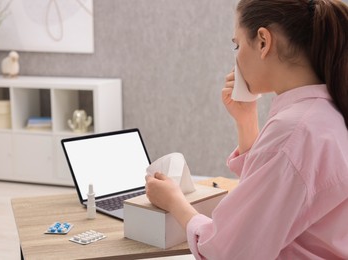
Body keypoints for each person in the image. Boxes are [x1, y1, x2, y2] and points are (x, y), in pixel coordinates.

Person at [145, 0, 348, 259]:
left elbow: (228, 251)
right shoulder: (325, 112)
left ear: (263, 41)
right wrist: (246, 121)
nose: (236, 55)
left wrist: (174, 202)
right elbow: (276, 195)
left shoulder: (293, 131)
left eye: (237, 44)